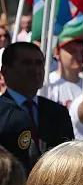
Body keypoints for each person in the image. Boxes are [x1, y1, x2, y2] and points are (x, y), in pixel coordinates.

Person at [0, 42, 74, 170]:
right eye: (27, 63)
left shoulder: (58, 112)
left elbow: (69, 158)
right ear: (5, 71)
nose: (36, 69)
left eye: (39, 63)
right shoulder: (2, 112)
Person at [43, 36, 83, 109]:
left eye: (82, 51)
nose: (79, 56)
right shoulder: (48, 83)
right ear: (57, 52)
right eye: (72, 51)